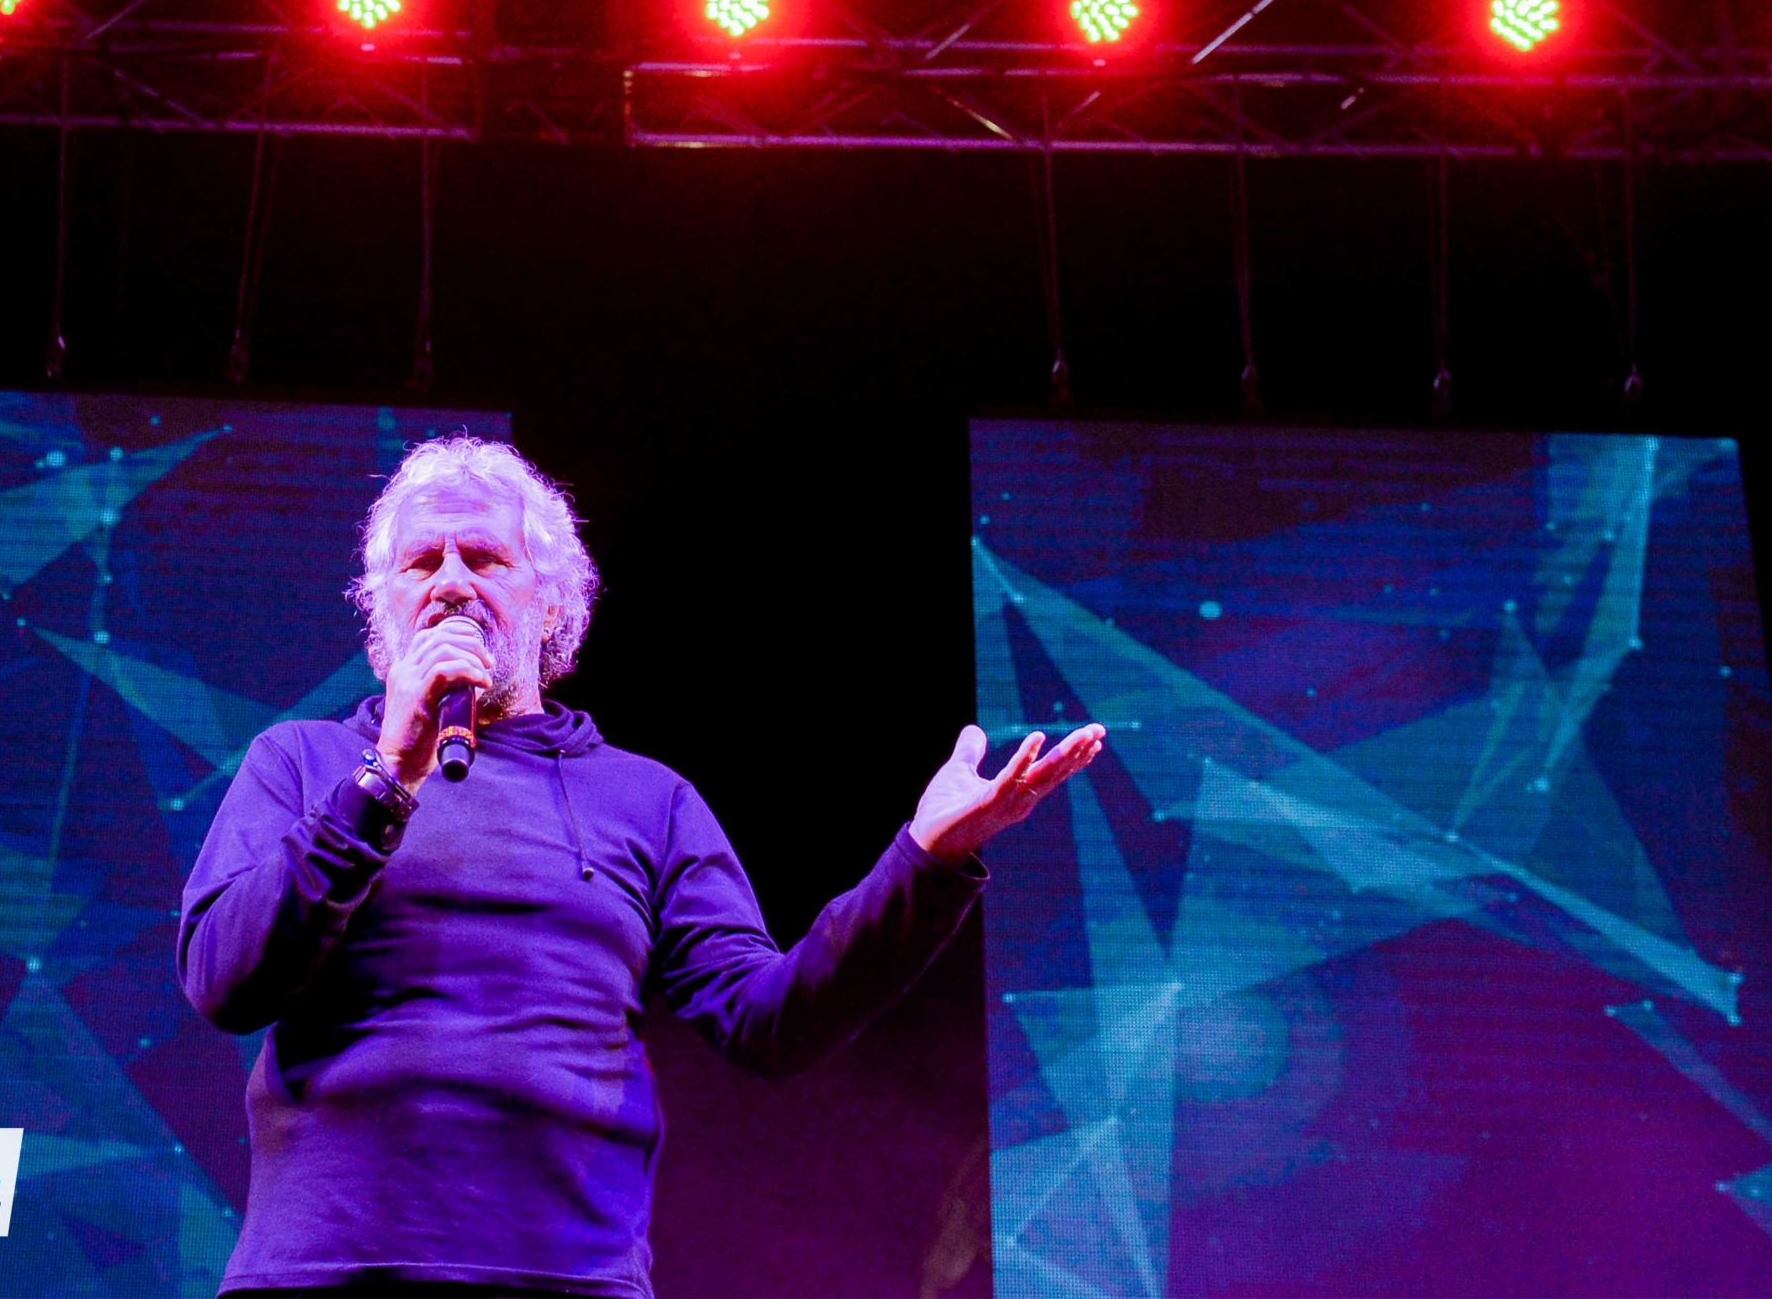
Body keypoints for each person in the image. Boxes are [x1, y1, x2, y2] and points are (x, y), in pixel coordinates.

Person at [178, 437, 1105, 1297]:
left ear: (550, 601)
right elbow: (225, 980)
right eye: (422, 563)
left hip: (568, 1278)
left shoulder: (645, 802)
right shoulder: (302, 764)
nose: (451, 582)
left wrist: (926, 861)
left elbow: (772, 1022)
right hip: (327, 1271)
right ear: (383, 608)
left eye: (484, 558)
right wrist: (385, 778)